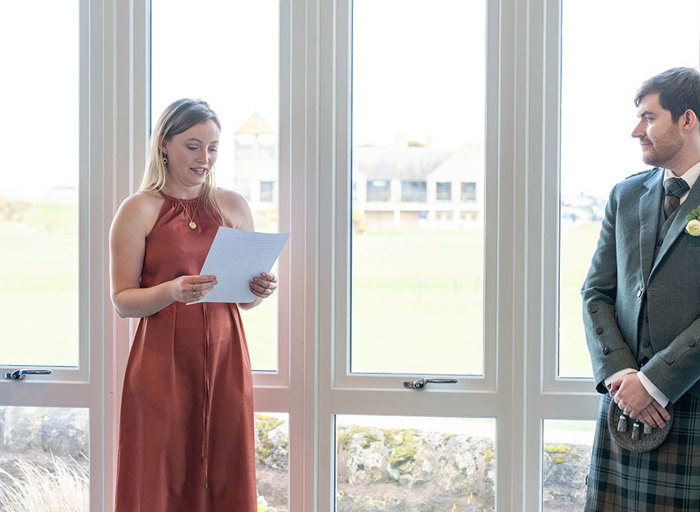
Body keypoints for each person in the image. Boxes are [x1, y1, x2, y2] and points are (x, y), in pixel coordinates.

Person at [110, 98, 277, 511]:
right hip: (160, 364)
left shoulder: (233, 205)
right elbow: (122, 302)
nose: (205, 158)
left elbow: (243, 302)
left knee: (225, 470)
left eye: (213, 147)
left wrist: (257, 290)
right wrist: (172, 290)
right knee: (159, 475)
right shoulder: (138, 210)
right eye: (193, 145)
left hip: (226, 360)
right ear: (164, 145)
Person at [582, 67, 700, 511]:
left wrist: (655, 382)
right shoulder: (625, 195)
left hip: (689, 405)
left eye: (648, 118)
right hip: (624, 405)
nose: (636, 131)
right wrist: (620, 375)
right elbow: (596, 293)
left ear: (687, 119)